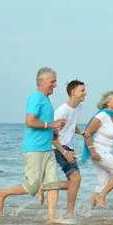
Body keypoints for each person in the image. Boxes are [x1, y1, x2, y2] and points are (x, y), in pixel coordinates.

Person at [0, 67, 68, 224]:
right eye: (52, 81)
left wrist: (53, 130)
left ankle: (51, 218)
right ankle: (2, 193)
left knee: (53, 183)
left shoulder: (46, 99)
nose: (55, 85)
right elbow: (30, 121)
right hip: (34, 149)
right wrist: (52, 124)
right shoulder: (35, 97)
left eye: (55, 81)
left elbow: (43, 123)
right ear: (42, 81)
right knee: (32, 186)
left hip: (47, 148)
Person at [39, 80, 88, 216]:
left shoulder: (78, 108)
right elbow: (51, 135)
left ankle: (46, 186)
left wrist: (81, 132)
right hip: (59, 147)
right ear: (73, 92)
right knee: (76, 179)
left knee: (74, 182)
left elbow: (70, 126)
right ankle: (70, 213)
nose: (85, 93)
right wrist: (64, 151)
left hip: (68, 148)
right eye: (82, 90)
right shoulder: (62, 110)